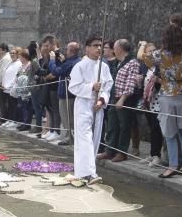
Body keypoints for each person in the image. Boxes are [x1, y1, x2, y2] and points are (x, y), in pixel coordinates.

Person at [138, 20, 182, 179]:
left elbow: (142, 57)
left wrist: (143, 45)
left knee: (170, 132)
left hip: (169, 93)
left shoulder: (160, 54)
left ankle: (172, 166)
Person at [69, 36, 113, 185]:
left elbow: (108, 86)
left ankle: (87, 172)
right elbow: (73, 87)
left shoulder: (104, 67)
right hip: (83, 104)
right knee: (85, 138)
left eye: (100, 45)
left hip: (98, 106)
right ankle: (89, 173)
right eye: (95, 45)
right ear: (87, 48)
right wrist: (90, 88)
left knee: (95, 138)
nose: (99, 48)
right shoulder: (80, 66)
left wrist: (102, 100)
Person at [103, 39, 141, 161]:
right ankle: (109, 150)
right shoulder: (118, 63)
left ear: (120, 49)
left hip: (125, 99)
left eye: (114, 47)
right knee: (112, 125)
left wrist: (122, 99)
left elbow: (130, 84)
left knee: (124, 126)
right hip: (115, 97)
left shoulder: (132, 63)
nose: (113, 50)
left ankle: (121, 152)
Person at [49, 41, 81, 145]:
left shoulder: (71, 63)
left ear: (70, 51)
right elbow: (63, 69)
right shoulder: (75, 61)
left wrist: (52, 60)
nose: (65, 51)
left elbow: (56, 71)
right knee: (69, 116)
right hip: (70, 93)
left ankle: (69, 138)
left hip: (67, 94)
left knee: (67, 117)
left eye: (67, 49)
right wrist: (62, 61)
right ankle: (70, 137)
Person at [1, 47, 23, 127]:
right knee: (9, 105)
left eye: (14, 53)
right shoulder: (9, 63)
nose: (12, 54)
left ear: (17, 54)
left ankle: (14, 121)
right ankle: (10, 119)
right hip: (5, 87)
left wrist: (10, 86)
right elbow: (5, 73)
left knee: (14, 105)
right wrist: (3, 83)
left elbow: (16, 76)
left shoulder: (19, 63)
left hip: (13, 88)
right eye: (11, 53)